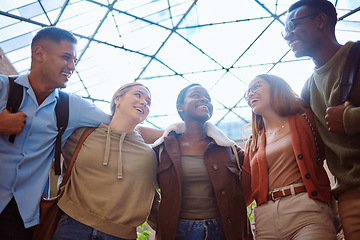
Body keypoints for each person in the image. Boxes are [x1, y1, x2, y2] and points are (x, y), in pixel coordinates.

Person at [0, 27, 110, 240]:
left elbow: (118, 123)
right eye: (66, 58)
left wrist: (179, 132)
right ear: (39, 54)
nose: (72, 66)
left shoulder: (72, 106)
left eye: (75, 61)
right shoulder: (3, 87)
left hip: (21, 219)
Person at [282, 0, 360, 238]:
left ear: (321, 21)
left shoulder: (357, 57)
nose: (287, 34)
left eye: (293, 24)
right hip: (349, 197)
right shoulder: (309, 88)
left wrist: (350, 119)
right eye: (284, 30)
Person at [53, 82, 158, 240]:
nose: (144, 102)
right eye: (138, 95)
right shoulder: (83, 134)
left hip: (119, 236)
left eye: (148, 102)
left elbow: (153, 199)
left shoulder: (149, 155)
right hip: (71, 226)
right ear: (117, 99)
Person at [151, 83, 253, 240]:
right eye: (196, 95)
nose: (204, 99)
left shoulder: (229, 148)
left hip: (224, 231)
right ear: (180, 107)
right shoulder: (162, 149)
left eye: (208, 98)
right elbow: (144, 189)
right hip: (178, 232)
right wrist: (163, 222)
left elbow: (255, 175)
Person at [241, 74, 336, 239]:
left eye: (256, 86)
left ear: (276, 87)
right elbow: (243, 191)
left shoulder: (307, 119)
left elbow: (335, 150)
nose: (250, 93)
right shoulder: (252, 142)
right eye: (248, 92)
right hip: (265, 219)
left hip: (306, 210)